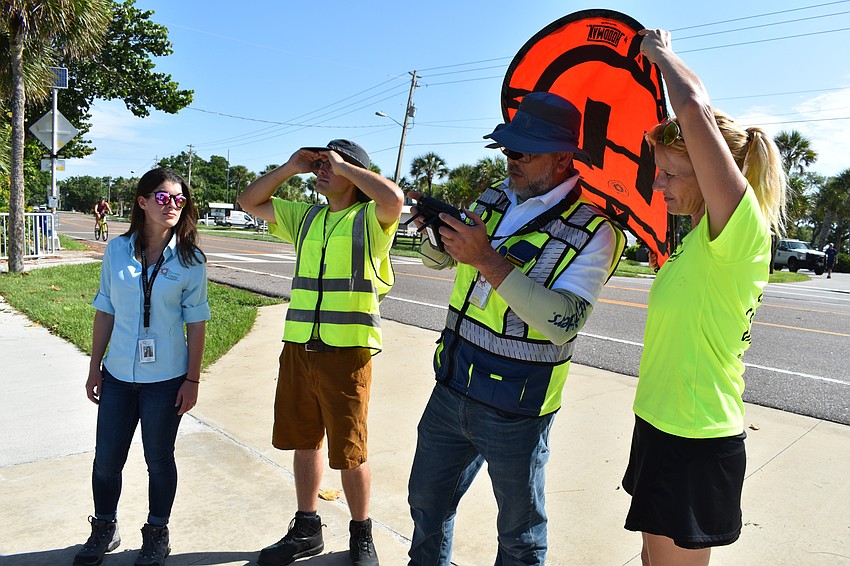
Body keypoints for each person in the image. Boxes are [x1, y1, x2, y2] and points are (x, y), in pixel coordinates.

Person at [407, 91, 625, 565]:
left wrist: (485, 256)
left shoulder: (596, 231)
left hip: (518, 406)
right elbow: (437, 262)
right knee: (426, 506)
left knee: (520, 537)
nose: (512, 160)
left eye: (524, 151)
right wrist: (433, 230)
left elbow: (561, 323)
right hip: (452, 384)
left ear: (565, 157)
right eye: (508, 149)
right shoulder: (493, 197)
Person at [622, 29, 788, 565]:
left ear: (717, 174)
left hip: (695, 436)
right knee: (652, 558)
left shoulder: (740, 233)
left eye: (670, 173)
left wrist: (660, 53)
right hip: (660, 422)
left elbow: (692, 105)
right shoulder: (699, 241)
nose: (658, 186)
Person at [237, 139, 403, 566]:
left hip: (347, 352)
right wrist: (292, 166)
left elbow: (394, 199)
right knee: (303, 440)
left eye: (330, 164)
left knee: (350, 450)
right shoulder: (306, 216)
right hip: (299, 346)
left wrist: (345, 168)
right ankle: (307, 528)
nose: (321, 170)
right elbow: (249, 200)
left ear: (352, 172)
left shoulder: (370, 218)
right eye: (320, 163)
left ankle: (361, 533)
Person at [75, 168, 210, 566]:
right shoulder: (117, 250)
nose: (173, 205)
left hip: (166, 380)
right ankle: (104, 527)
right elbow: (105, 309)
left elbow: (197, 322)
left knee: (159, 460)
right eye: (164, 197)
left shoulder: (191, 259)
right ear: (143, 201)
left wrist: (193, 378)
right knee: (106, 459)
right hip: (117, 375)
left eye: (180, 199)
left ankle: (156, 532)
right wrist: (94, 366)